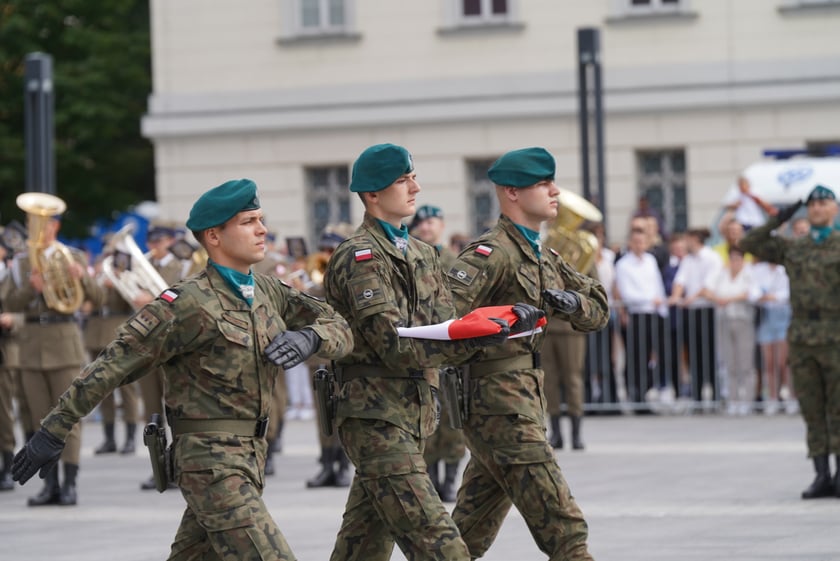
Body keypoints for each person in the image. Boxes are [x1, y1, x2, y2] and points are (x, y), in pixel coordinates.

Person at [11, 178, 354, 560]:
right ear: (214, 236)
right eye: (248, 221)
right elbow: (111, 364)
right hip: (210, 465)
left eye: (261, 219)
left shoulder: (268, 290)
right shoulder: (183, 304)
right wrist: (54, 430)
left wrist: (309, 339)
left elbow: (337, 324)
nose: (262, 230)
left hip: (250, 458)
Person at [323, 143, 542, 561]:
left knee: (362, 543)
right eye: (403, 181)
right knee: (438, 541)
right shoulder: (359, 257)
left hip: (413, 413)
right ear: (372, 195)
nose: (415, 188)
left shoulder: (423, 255)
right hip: (375, 416)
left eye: (412, 177)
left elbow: (448, 323)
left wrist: (501, 323)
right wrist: (473, 339)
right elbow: (394, 344)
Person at [446, 147, 609, 560]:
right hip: (498, 405)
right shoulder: (491, 253)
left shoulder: (542, 253)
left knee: (466, 534)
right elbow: (444, 317)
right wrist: (495, 321)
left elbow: (599, 306)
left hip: (523, 400)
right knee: (563, 526)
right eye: (542, 183)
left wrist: (573, 305)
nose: (555, 191)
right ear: (512, 193)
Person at [739, 184, 840, 499]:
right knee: (812, 408)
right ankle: (821, 474)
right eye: (812, 205)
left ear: (834, 209)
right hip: (802, 336)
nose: (817, 208)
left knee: (837, 408)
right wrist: (777, 218)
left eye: (824, 203)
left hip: (835, 335)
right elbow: (748, 243)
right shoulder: (795, 246)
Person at [4, 210, 101, 507]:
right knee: (38, 421)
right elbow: (7, 302)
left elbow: (96, 299)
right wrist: (28, 289)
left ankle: (70, 483)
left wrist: (82, 278)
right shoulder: (20, 263)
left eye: (43, 224)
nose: (38, 230)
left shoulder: (72, 256)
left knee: (68, 418)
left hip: (64, 342)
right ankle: (50, 485)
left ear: (55, 226)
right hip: (31, 345)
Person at [409, 203, 467, 500]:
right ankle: (431, 478)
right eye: (422, 223)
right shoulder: (411, 259)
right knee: (428, 416)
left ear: (441, 225)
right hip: (424, 348)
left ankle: (451, 479)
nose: (427, 227)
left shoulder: (451, 260)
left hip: (451, 349)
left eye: (432, 221)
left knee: (453, 419)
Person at [83, 256, 140, 455]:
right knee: (101, 388)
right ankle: (109, 438)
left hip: (118, 334)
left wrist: (118, 281)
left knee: (126, 388)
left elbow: (132, 300)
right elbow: (85, 306)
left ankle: (131, 437)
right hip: (95, 335)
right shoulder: (95, 281)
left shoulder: (125, 277)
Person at [614, 226, 668, 409]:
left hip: (652, 312)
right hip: (636, 314)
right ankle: (636, 394)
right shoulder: (623, 264)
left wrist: (661, 306)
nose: (639, 245)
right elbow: (627, 293)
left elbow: (657, 285)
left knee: (653, 355)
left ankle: (646, 392)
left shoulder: (650, 260)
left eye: (642, 241)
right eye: (636, 241)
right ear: (630, 243)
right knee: (636, 355)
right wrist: (650, 299)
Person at [700, 247, 755, 416]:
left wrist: (729, 299)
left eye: (738, 259)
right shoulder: (721, 274)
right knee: (729, 361)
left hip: (743, 319)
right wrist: (718, 299)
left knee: (744, 362)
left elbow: (751, 293)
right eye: (732, 259)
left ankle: (747, 400)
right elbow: (706, 290)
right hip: (724, 320)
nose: (734, 262)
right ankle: (733, 399)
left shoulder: (749, 273)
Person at [749, 258, 793, 415]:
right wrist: (764, 297)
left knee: (783, 362)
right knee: (769, 363)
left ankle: (788, 396)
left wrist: (771, 297)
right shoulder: (758, 269)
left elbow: (787, 292)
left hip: (783, 314)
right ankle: (773, 397)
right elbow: (753, 291)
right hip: (765, 315)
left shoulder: (785, 267)